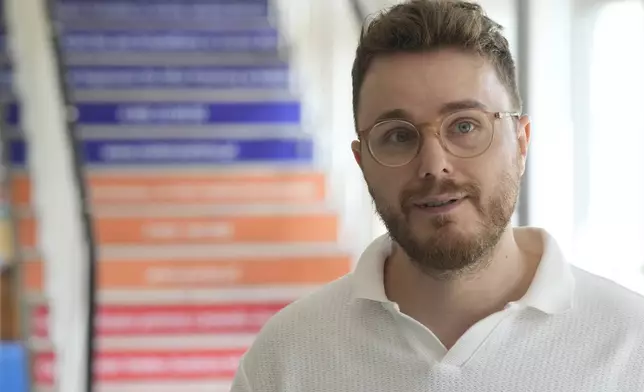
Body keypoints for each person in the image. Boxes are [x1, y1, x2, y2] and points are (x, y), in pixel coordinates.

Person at [230, 1, 644, 390]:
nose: (434, 164)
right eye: (397, 136)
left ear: (521, 142)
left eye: (465, 126)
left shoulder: (631, 346)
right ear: (362, 162)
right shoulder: (284, 361)